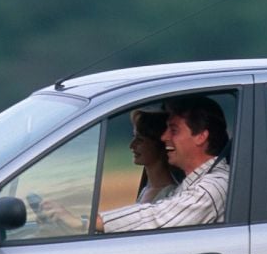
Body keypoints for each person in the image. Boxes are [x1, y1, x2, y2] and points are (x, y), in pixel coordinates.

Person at [98, 95, 229, 232]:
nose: (163, 137)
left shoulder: (212, 187)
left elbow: (157, 218)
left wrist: (89, 223)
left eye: (173, 130)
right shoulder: (191, 186)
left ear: (201, 136)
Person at [129, 109, 180, 204]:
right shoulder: (147, 189)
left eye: (140, 140)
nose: (132, 145)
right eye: (133, 137)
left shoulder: (170, 195)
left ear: (159, 144)